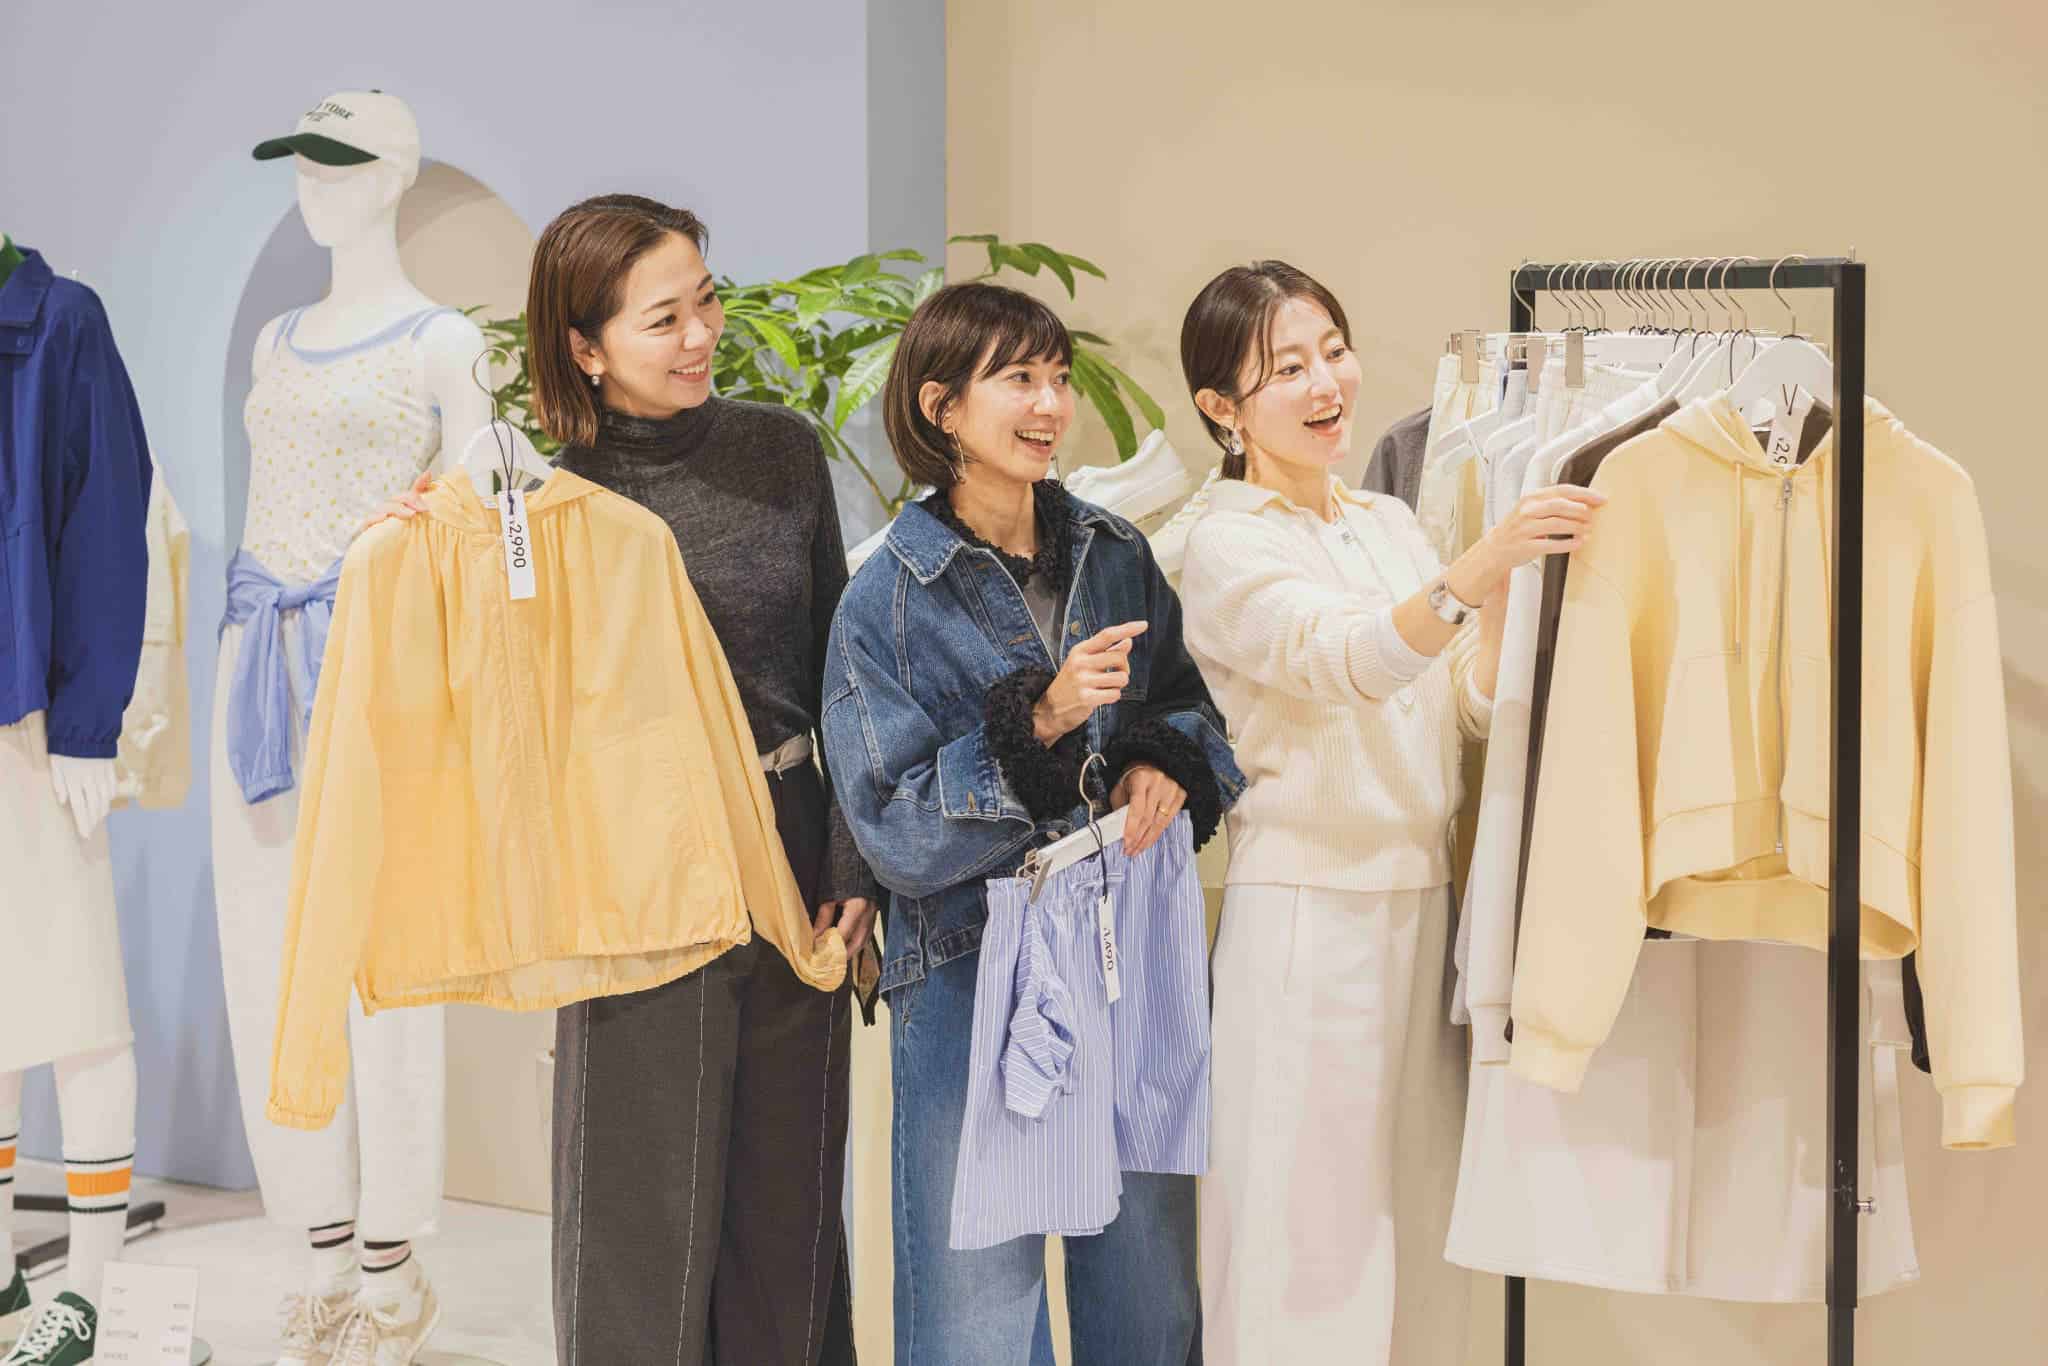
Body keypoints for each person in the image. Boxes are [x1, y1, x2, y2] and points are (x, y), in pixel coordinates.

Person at [366, 193, 871, 1366]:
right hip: (637, 859)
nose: (700, 335)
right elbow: (488, 702)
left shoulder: (781, 451)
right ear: (584, 347)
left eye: (706, 301)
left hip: (790, 838)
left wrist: (852, 855)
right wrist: (414, 552)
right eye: (663, 319)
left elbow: (839, 666)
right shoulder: (538, 506)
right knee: (640, 1206)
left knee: (788, 1200)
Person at [1173, 259, 1604, 1365]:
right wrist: (1481, 565)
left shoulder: (1384, 521)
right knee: (1304, 1230)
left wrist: (1506, 602)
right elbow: (1343, 660)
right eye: (1286, 369)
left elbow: (1455, 703)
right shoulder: (1221, 540)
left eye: (1333, 352)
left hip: (1422, 899)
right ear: (1221, 407)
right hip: (1307, 912)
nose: (1326, 385)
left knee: (1416, 1222)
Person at [820, 281, 1244, 1365]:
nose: (1051, 403)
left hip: (1119, 946)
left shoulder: (1113, 550)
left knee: (1146, 1287)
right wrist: (1039, 721)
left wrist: (1160, 761)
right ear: (941, 407)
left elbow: (1186, 703)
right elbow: (893, 829)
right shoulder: (887, 598)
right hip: (967, 969)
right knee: (975, 1307)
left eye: (1056, 376)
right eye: (1017, 378)